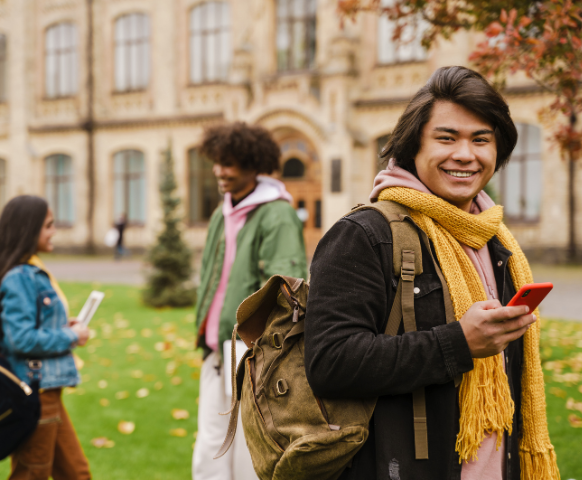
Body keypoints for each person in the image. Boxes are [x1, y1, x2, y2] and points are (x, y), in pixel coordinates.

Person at [305, 66, 559, 480]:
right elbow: (329, 363)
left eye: (481, 140)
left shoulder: (497, 241)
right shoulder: (365, 235)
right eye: (446, 138)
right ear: (412, 147)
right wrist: (458, 343)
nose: (465, 154)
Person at [193, 122, 308, 480]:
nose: (219, 171)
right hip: (217, 351)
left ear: (253, 164)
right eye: (217, 162)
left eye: (229, 164)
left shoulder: (277, 215)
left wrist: (261, 354)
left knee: (247, 452)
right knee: (209, 448)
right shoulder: (221, 211)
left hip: (250, 352)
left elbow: (285, 291)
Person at [0, 195, 91, 480]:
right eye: (48, 225)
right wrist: (70, 335)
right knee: (31, 474)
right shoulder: (20, 275)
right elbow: (20, 339)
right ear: (29, 229)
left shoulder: (26, 271)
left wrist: (62, 325)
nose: (54, 231)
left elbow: (29, 325)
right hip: (34, 393)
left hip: (48, 392)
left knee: (76, 474)